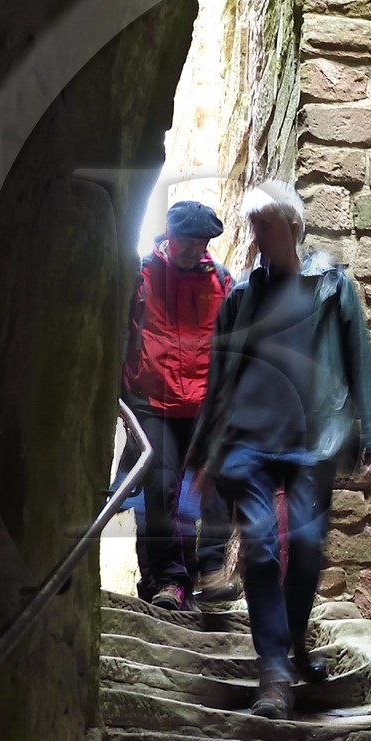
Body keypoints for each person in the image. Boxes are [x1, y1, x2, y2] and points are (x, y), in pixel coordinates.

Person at [186, 181, 371, 716]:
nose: (257, 239)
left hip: (313, 441)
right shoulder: (239, 296)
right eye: (252, 228)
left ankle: (295, 644)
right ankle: (273, 675)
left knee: (303, 552)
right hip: (247, 444)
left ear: (294, 228)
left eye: (266, 228)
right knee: (259, 547)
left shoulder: (331, 285)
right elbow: (219, 376)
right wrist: (205, 451)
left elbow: (358, 362)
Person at [120, 197, 235, 618]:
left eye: (201, 243)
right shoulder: (142, 275)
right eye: (188, 242)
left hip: (205, 403)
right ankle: (171, 579)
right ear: (169, 235)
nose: (194, 250)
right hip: (154, 401)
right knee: (161, 490)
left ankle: (211, 569)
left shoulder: (221, 281)